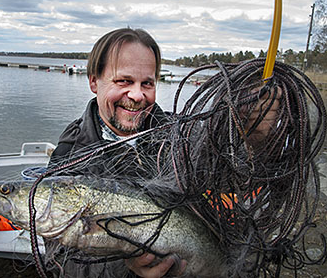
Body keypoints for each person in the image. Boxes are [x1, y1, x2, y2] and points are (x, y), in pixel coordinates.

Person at [49, 28, 281, 277]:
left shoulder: (182, 134)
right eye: (124, 81)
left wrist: (254, 141)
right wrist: (126, 267)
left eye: (146, 83)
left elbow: (235, 179)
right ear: (94, 81)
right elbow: (60, 261)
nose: (137, 95)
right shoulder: (69, 154)